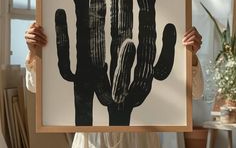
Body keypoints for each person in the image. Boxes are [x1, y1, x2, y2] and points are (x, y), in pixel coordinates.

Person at [25, 22, 203, 148]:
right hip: (93, 141)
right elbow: (34, 87)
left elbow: (196, 91)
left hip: (140, 141)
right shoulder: (88, 48)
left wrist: (190, 56)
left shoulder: (141, 48)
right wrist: (35, 53)